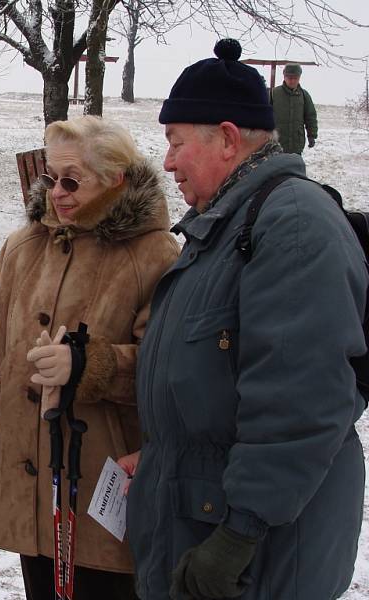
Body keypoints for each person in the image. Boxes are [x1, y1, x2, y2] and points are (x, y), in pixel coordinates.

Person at [123, 39, 366, 600]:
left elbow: (302, 399)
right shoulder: (220, 225)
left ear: (228, 139)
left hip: (261, 555)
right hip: (203, 517)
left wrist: (241, 532)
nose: (166, 161)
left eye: (176, 142)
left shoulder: (291, 224)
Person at [0, 116, 179, 599]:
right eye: (51, 178)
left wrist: (88, 365)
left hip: (98, 481)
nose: (57, 193)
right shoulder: (25, 244)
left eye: (72, 180)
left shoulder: (153, 254)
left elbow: (169, 368)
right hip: (25, 473)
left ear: (115, 180)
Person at [271, 63, 318, 154]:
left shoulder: (304, 95)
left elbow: (310, 117)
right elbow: (265, 116)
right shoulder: (273, 94)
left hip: (296, 145)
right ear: (284, 77)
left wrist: (311, 135)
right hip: (276, 144)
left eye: (295, 78)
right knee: (277, 168)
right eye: (289, 78)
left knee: (294, 167)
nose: (292, 81)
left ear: (299, 78)